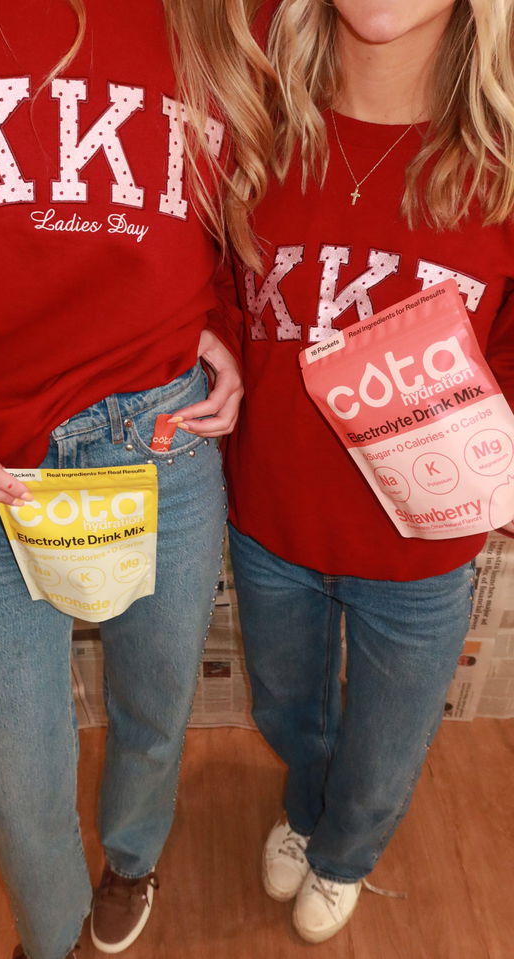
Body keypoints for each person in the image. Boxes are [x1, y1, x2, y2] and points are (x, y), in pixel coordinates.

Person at [0, 2, 275, 957]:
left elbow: (229, 208)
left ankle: (134, 857)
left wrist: (216, 314)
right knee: (13, 782)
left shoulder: (230, 15)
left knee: (153, 702)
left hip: (161, 434)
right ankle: (50, 937)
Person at [213, 0, 514, 945]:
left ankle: (346, 853)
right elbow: (213, 294)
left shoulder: (500, 158)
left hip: (422, 552)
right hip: (271, 525)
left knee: (384, 753)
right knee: (288, 710)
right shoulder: (251, 121)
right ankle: (306, 813)